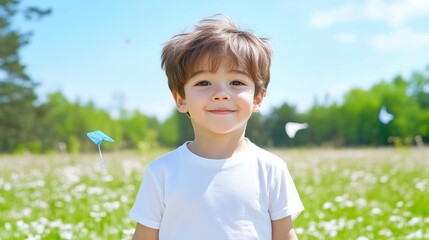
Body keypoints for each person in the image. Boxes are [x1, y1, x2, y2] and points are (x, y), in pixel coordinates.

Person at [130, 14, 304, 240]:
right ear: (181, 99)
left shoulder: (271, 169)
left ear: (258, 98)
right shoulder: (161, 172)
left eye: (236, 82)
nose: (221, 94)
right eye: (203, 83)